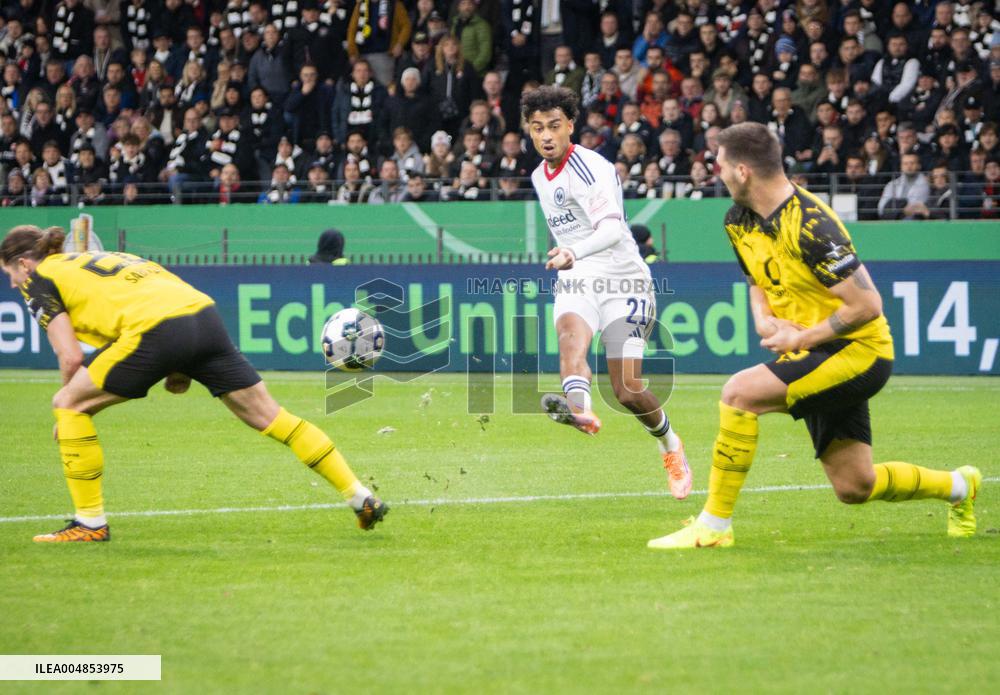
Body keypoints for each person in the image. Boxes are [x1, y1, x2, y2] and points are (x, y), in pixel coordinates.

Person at [647, 122, 981, 549]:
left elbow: (867, 305)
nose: (718, 173)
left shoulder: (811, 224)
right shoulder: (737, 220)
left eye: (721, 164)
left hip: (859, 352)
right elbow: (755, 281)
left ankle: (713, 527)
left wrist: (801, 339)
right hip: (814, 355)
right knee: (854, 485)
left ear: (743, 171)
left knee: (739, 394)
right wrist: (765, 321)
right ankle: (960, 486)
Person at [0, 227, 387, 542]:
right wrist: (178, 367)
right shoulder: (103, 259)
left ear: (23, 263)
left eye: (9, 275)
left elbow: (69, 355)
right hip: (202, 315)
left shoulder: (38, 279)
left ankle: (89, 524)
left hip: (155, 328)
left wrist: (72, 407)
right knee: (272, 417)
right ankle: (360, 497)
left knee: (66, 403)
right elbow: (161, 299)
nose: (14, 285)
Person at [521, 85, 692, 500]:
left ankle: (671, 446)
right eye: (538, 128)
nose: (546, 136)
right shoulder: (538, 175)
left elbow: (613, 230)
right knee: (570, 340)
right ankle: (580, 411)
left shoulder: (591, 168)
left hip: (623, 279)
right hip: (578, 276)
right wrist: (571, 257)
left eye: (554, 126)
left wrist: (571, 251)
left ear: (570, 125)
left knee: (627, 390)